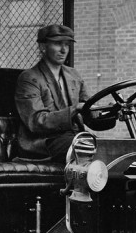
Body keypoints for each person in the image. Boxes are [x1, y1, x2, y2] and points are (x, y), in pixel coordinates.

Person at [14, 24, 88, 160]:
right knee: (84, 147)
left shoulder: (74, 75)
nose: (64, 50)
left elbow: (88, 110)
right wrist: (74, 110)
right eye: (58, 44)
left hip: (73, 138)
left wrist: (111, 111)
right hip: (43, 143)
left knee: (109, 146)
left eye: (67, 44)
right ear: (42, 47)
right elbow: (36, 121)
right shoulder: (30, 78)